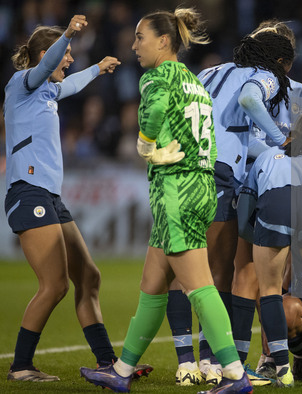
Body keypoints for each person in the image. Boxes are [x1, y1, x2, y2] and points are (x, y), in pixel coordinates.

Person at [79, 8, 251, 394]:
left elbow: (153, 115)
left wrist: (145, 145)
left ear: (164, 41)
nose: (134, 44)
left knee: (201, 287)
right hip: (201, 186)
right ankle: (121, 372)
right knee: (152, 284)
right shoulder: (193, 81)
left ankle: (236, 377)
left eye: (141, 37)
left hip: (177, 191)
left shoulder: (157, 77)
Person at [2, 14, 146, 383]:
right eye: (65, 54)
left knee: (89, 277)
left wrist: (97, 69)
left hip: (49, 196)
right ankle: (21, 366)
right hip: (28, 192)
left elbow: (71, 84)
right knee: (55, 285)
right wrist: (66, 35)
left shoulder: (47, 92)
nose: (69, 60)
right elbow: (48, 65)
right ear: (46, 54)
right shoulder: (23, 82)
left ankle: (105, 362)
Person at [191, 29, 293, 383]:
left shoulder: (210, 72)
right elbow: (251, 101)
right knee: (218, 272)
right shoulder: (261, 77)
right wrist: (284, 142)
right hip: (218, 172)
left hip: (185, 166)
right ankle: (212, 360)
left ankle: (189, 361)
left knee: (181, 265)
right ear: (278, 62)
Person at [237, 114, 302, 387]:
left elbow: (244, 215)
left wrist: (265, 239)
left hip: (276, 200)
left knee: (270, 291)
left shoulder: (266, 156)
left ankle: (282, 370)